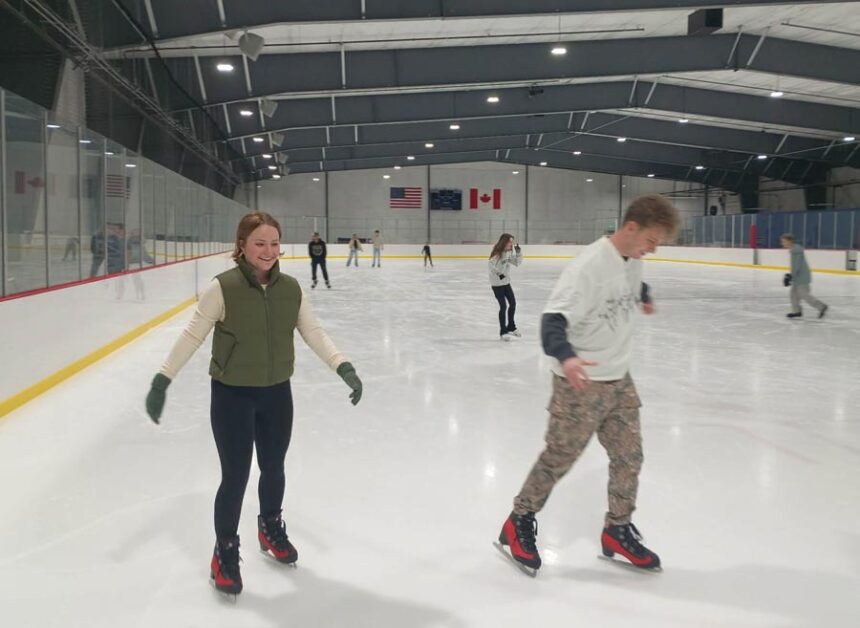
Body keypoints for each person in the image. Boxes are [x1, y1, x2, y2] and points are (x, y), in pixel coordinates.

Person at [144, 211, 363, 595]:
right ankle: (224, 552)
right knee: (235, 476)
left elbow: (313, 332)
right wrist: (163, 380)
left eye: (275, 243)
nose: (269, 251)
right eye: (260, 243)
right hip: (232, 396)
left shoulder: (290, 289)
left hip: (277, 393)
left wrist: (343, 366)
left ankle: (270, 529)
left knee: (274, 467)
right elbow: (192, 336)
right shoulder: (223, 287)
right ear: (242, 246)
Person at [497, 194, 680, 574]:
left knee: (630, 457)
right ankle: (519, 520)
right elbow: (552, 321)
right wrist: (567, 357)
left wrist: (643, 295)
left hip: (620, 380)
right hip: (580, 384)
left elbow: (628, 285)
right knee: (558, 459)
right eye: (652, 240)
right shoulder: (588, 268)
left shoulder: (631, 258)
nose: (653, 249)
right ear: (632, 227)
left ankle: (617, 528)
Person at [781, 233, 828, 319]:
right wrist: (790, 276)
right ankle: (797, 311)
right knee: (793, 294)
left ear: (789, 241)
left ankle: (821, 307)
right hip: (797, 277)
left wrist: (790, 276)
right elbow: (795, 267)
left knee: (804, 295)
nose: (782, 243)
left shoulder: (796, 251)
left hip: (802, 278)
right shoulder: (793, 250)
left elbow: (797, 266)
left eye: (784, 241)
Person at [488, 234, 523, 341]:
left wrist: (518, 252)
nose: (511, 244)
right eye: (509, 242)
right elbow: (490, 264)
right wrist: (499, 274)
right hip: (497, 284)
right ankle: (503, 331)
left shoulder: (508, 253)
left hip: (506, 283)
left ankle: (511, 326)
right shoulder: (497, 253)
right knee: (503, 306)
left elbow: (517, 263)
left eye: (512, 242)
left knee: (513, 303)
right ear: (504, 242)